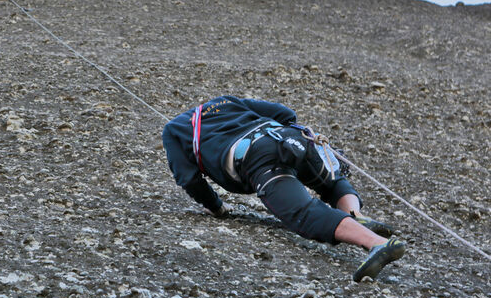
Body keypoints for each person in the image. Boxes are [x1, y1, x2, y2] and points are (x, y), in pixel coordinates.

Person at [162, 95, 406, 282]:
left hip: (255, 158)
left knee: (304, 213)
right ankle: (356, 215)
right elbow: (285, 112)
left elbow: (190, 179)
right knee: (329, 182)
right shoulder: (225, 101)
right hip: (288, 136)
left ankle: (376, 243)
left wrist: (217, 208)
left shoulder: (174, 129)